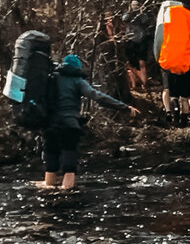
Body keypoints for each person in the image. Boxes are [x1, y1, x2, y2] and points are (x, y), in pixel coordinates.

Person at [41, 54, 139, 190]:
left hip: (49, 126)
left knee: (51, 163)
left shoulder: (51, 78)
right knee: (69, 164)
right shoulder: (77, 81)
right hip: (69, 126)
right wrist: (124, 107)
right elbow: (97, 96)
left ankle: (49, 194)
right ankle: (66, 194)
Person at [154, 0, 190, 126]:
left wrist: (158, 58)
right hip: (185, 61)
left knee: (168, 89)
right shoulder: (187, 17)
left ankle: (169, 111)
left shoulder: (164, 20)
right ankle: (184, 119)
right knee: (185, 95)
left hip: (168, 60)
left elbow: (158, 41)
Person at [121, 0, 153, 90]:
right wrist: (130, 12)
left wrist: (141, 12)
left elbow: (146, 21)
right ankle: (134, 85)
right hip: (130, 40)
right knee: (132, 64)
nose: (135, 7)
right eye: (133, 5)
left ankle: (144, 84)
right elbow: (124, 19)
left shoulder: (142, 15)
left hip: (141, 40)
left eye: (137, 5)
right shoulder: (128, 15)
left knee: (142, 63)